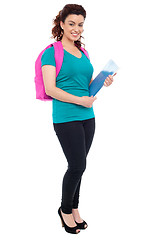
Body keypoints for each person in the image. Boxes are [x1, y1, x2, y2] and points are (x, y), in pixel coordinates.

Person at [41, 4, 114, 234]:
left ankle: (74, 208)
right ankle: (64, 210)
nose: (76, 28)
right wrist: (80, 100)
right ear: (61, 24)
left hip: (87, 116)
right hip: (66, 117)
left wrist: (103, 81)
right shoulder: (51, 52)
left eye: (80, 24)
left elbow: (84, 83)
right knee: (77, 165)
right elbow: (51, 88)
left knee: (79, 167)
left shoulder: (83, 51)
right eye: (71, 23)